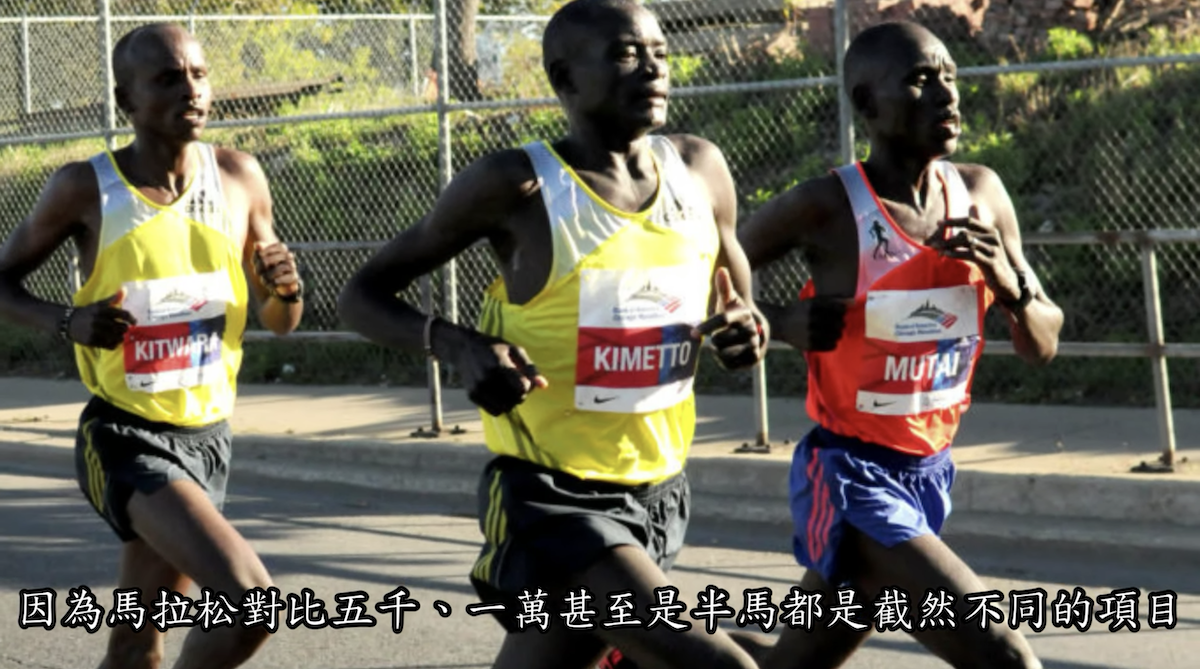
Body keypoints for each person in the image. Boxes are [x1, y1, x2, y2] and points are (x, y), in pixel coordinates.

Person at [337, 1, 771, 667]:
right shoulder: (517, 185)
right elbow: (361, 295)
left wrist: (745, 332)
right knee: (717, 663)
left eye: (659, 52)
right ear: (565, 78)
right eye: (625, 54)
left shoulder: (700, 169)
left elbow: (738, 305)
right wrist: (458, 344)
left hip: (660, 487)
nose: (653, 68)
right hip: (554, 496)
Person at [738, 21, 1063, 669]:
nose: (947, 94)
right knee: (1002, 653)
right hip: (851, 475)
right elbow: (701, 280)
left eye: (951, 77)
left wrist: (1009, 282)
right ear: (867, 102)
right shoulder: (827, 206)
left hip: (929, 472)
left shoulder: (982, 193)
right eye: (920, 80)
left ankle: (645, 658)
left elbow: (1043, 342)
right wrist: (778, 321)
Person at [0, 23, 302, 669]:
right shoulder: (85, 187)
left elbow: (281, 321)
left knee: (136, 648)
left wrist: (286, 288)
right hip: (125, 436)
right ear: (126, 100)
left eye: (199, 75)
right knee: (251, 601)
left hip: (208, 437)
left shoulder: (240, 176)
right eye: (168, 78)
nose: (191, 91)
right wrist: (67, 322)